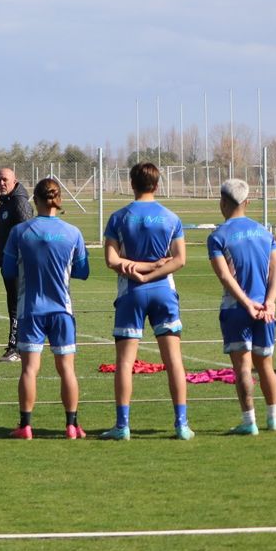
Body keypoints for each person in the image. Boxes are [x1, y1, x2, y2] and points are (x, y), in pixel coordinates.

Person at [101, 162, 192, 440]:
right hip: (164, 290)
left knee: (125, 362)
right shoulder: (171, 217)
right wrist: (153, 269)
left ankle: (122, 426)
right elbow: (179, 260)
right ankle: (181, 425)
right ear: (157, 184)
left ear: (131, 183)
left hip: (131, 292)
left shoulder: (119, 217)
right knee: (174, 361)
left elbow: (111, 260)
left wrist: (137, 271)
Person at [0, 179, 90, 439]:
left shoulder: (20, 232)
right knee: (67, 369)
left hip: (31, 310)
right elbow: (83, 271)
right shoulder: (73, 233)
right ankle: (72, 425)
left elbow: (7, 270)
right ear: (59, 199)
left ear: (35, 201)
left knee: (29, 369)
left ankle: (25, 425)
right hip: (62, 310)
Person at [207, 179, 276, 435]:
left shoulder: (218, 236)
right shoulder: (264, 232)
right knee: (266, 366)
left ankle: (249, 422)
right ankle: (274, 418)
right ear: (247, 202)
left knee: (242, 368)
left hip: (236, 309)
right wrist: (269, 301)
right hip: (265, 311)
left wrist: (245, 303)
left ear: (223, 203)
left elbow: (225, 277)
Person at [0, 166, 35, 363]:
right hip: (9, 264)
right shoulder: (3, 205)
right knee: (14, 305)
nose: (1, 183)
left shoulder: (19, 203)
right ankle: (22, 346)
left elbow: (28, 234)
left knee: (17, 306)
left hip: (20, 265)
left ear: (14, 181)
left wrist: (23, 262)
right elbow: (3, 239)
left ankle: (15, 348)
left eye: (5, 179)